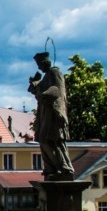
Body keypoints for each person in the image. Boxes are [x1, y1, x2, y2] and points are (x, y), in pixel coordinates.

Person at [28, 51, 74, 181]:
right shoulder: (46, 76)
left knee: (54, 140)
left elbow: (57, 90)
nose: (38, 67)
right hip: (45, 114)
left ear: (45, 62)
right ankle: (51, 168)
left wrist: (43, 93)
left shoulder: (55, 73)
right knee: (43, 139)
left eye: (39, 64)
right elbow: (37, 91)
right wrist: (35, 84)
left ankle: (64, 168)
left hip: (53, 114)